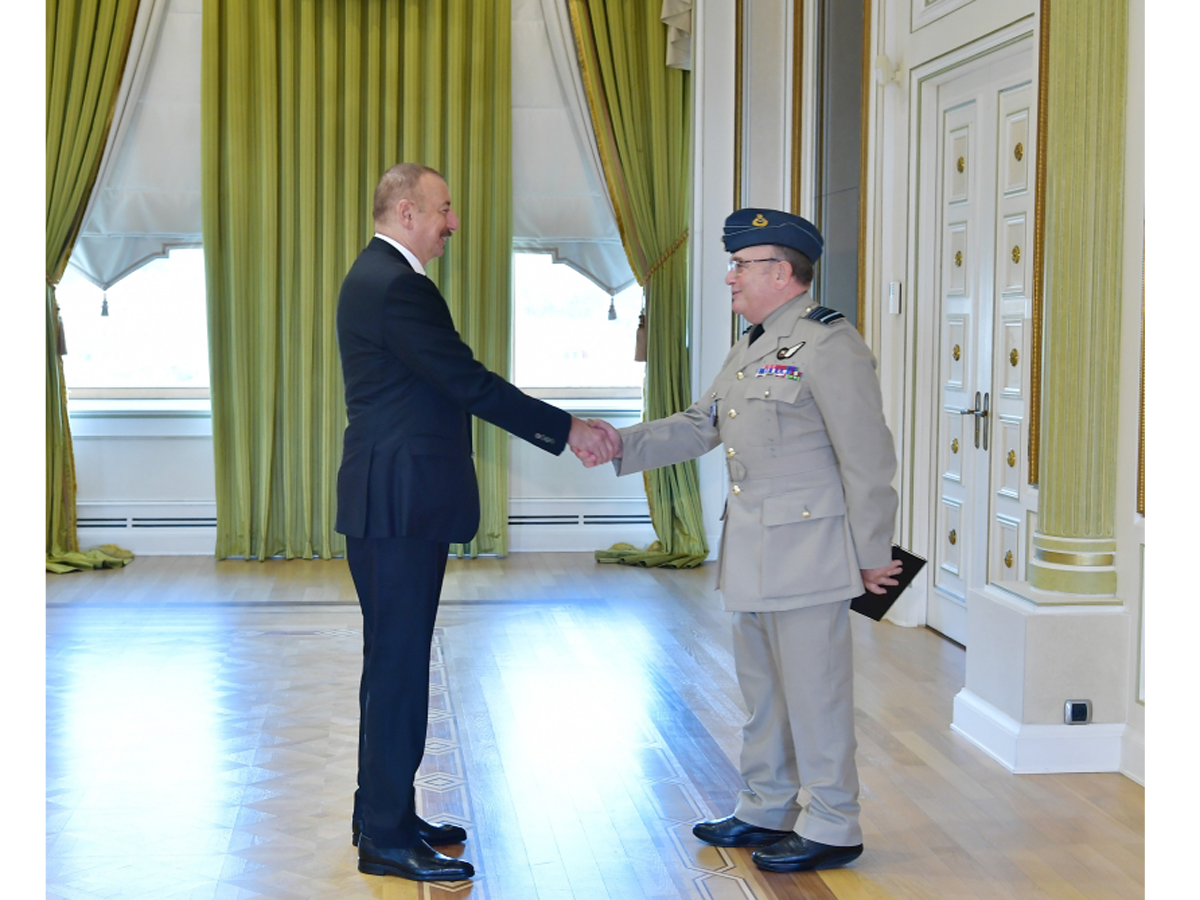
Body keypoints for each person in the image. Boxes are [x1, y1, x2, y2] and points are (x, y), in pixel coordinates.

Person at [587, 208, 901, 872]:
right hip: (754, 547)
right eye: (733, 265)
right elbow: (702, 425)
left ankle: (835, 823)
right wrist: (618, 442)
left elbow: (869, 459)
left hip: (812, 550)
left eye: (741, 265)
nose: (730, 277)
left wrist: (874, 553)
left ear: (781, 272)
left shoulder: (830, 344)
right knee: (763, 691)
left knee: (815, 692)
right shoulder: (754, 343)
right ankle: (767, 806)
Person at [335, 163, 616, 882]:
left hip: (386, 497)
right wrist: (568, 429)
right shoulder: (400, 286)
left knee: (390, 663)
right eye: (443, 209)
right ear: (404, 211)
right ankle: (387, 839)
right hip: (400, 503)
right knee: (398, 668)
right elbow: (468, 382)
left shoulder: (372, 275)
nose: (452, 223)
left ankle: (383, 811)